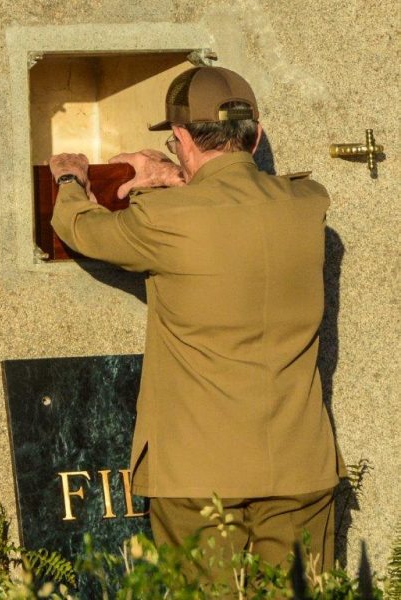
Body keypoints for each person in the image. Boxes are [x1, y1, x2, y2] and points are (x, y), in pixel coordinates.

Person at [50, 66, 344, 585]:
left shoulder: (167, 218)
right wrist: (177, 177)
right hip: (301, 465)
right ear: (253, 135)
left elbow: (81, 228)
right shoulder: (307, 205)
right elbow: (232, 205)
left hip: (199, 473)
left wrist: (71, 177)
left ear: (181, 137)